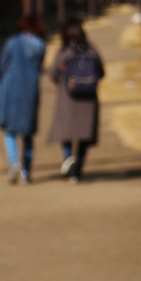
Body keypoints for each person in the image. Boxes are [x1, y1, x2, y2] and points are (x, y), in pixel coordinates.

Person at [0, 14, 46, 183]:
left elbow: (3, 64)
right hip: (31, 89)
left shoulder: (13, 42)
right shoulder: (40, 46)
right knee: (28, 133)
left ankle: (14, 163)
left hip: (12, 88)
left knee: (10, 131)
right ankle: (26, 171)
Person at [48, 20, 104, 179]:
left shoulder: (63, 52)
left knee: (66, 134)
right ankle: (77, 170)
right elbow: (101, 72)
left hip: (67, 100)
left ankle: (68, 159)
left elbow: (52, 75)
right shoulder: (91, 50)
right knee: (83, 137)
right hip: (88, 101)